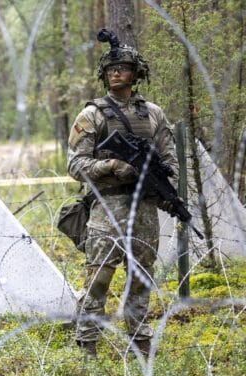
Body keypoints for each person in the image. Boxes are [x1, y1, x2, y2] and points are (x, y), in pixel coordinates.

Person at [66, 29, 179, 356]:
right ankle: (87, 343)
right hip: (106, 208)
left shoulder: (154, 114)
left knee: (141, 278)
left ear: (135, 73)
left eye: (123, 68)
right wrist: (112, 166)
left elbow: (170, 157)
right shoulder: (93, 114)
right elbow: (75, 164)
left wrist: (156, 174)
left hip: (143, 209)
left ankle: (140, 341)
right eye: (110, 69)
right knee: (98, 279)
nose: (116, 73)